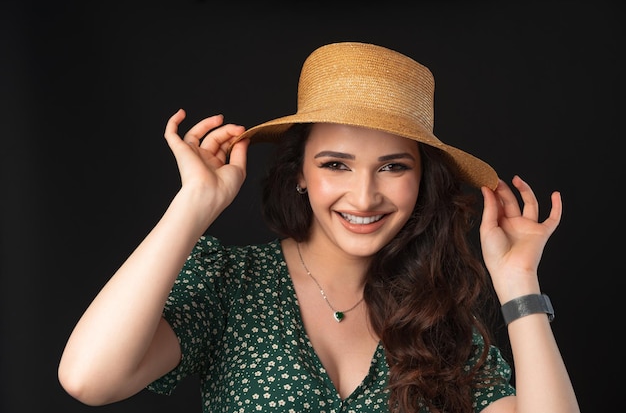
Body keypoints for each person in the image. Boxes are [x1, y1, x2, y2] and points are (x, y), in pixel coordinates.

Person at [58, 41, 580, 412]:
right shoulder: (229, 282)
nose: (365, 195)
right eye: (336, 164)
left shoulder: (440, 320)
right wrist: (193, 204)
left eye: (393, 166)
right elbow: (89, 379)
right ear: (300, 173)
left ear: (422, 180)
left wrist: (519, 285)